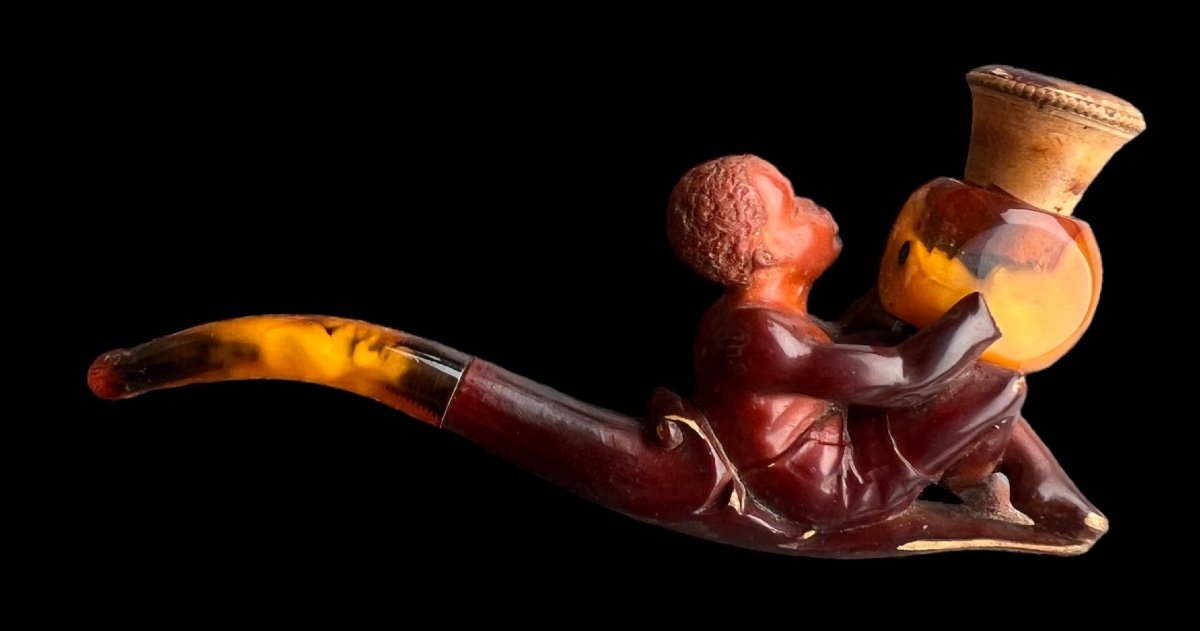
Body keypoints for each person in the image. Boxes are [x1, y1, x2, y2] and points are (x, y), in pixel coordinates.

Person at [665, 154, 1105, 543]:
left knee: (945, 367)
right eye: (795, 207)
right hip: (829, 486)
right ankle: (979, 480)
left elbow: (838, 347)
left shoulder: (752, 318)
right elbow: (905, 378)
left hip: (831, 444)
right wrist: (984, 313)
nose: (814, 208)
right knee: (995, 382)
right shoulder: (759, 337)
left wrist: (889, 297)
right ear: (768, 252)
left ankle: (1042, 488)